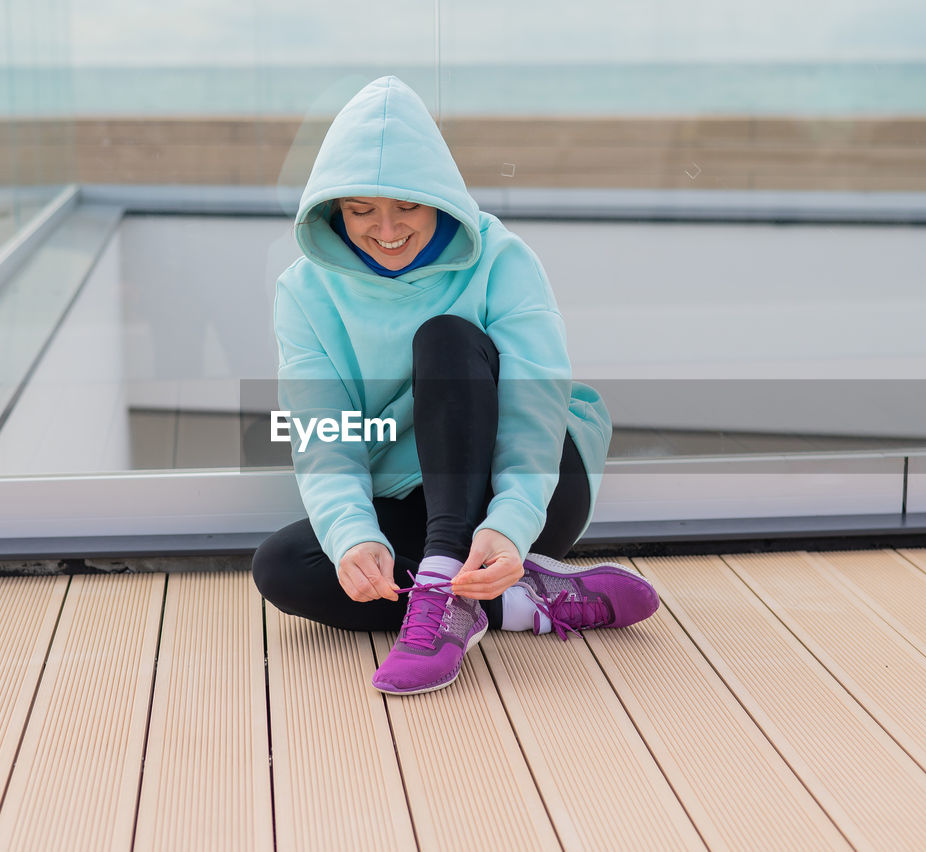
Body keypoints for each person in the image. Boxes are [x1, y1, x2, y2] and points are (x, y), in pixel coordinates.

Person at [252, 76, 658, 695]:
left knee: (445, 338)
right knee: (287, 567)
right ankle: (517, 603)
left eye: (406, 207)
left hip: (528, 486)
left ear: (437, 199)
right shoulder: (303, 291)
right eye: (361, 210)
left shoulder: (502, 258)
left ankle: (441, 588)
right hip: (412, 496)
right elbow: (323, 431)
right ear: (334, 209)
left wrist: (512, 523)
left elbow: (534, 405)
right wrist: (354, 537)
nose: (385, 230)